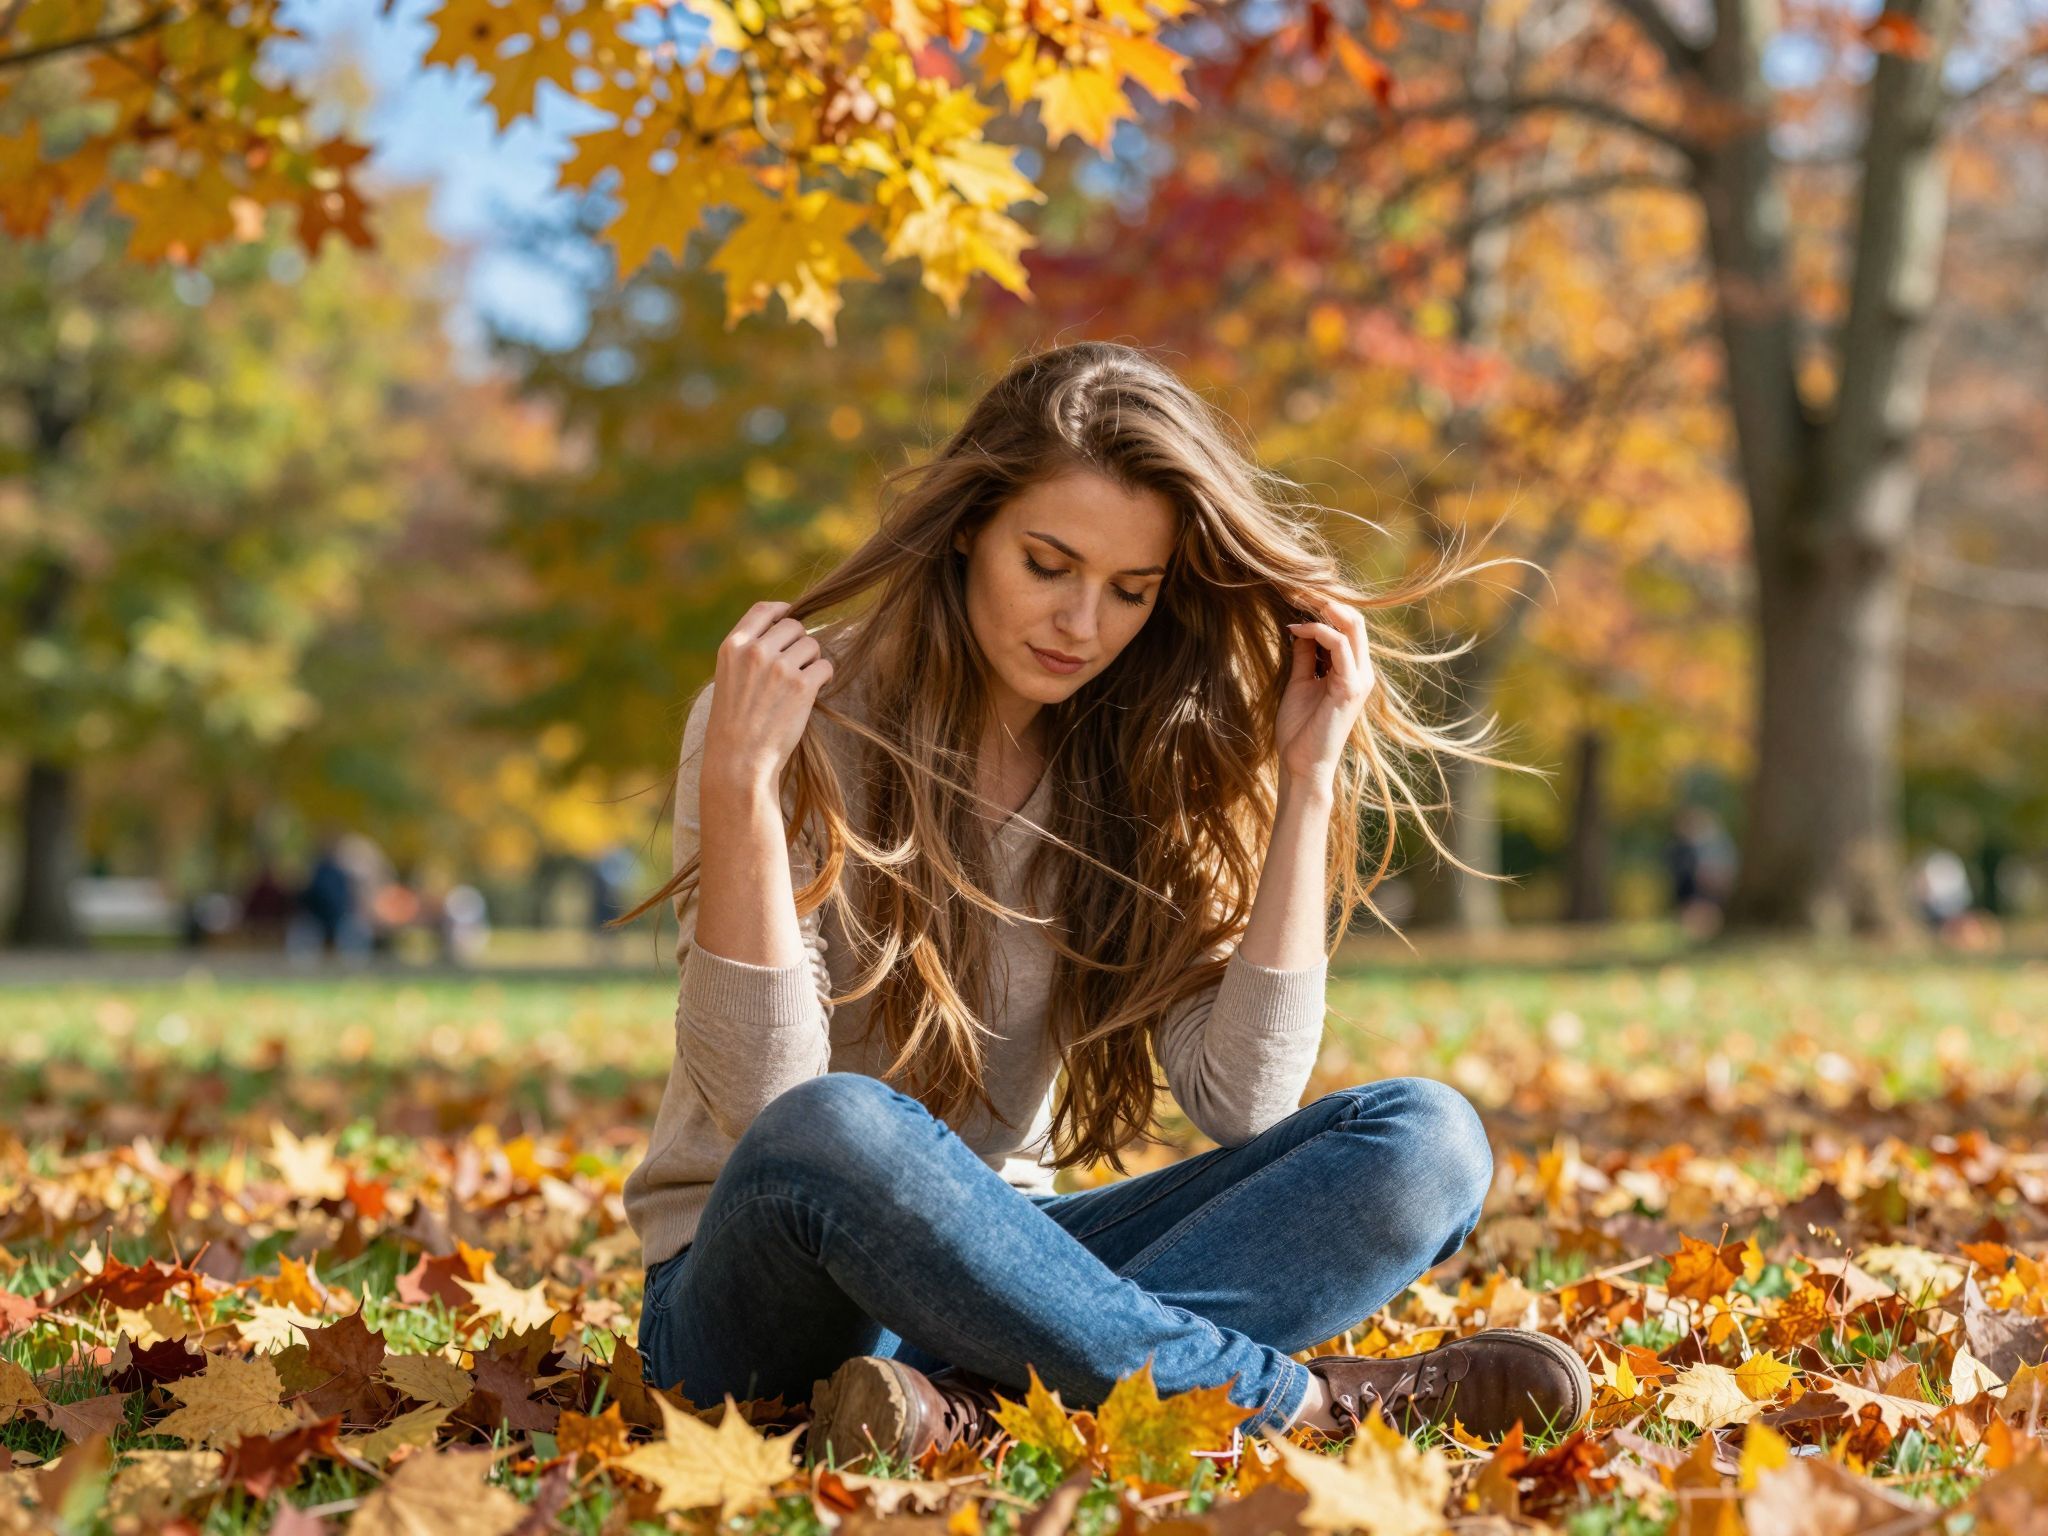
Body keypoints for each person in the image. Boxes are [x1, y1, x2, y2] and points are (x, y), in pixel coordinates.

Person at [613, 342, 1589, 1467]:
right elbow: (765, 1107)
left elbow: (1243, 1099)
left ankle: (970, 1407)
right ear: (970, 526)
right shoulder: (786, 717)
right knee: (838, 1123)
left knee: (1428, 1140)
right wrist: (741, 782)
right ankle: (1294, 1407)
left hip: (1012, 1272)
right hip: (750, 1299)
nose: (1083, 624)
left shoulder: (1144, 756)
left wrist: (1307, 779)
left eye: (1131, 591)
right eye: (1048, 564)